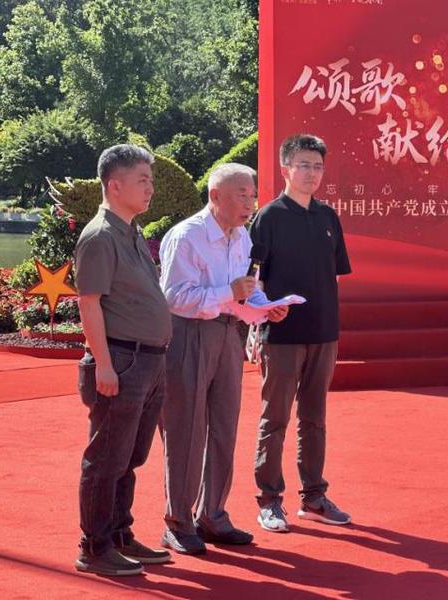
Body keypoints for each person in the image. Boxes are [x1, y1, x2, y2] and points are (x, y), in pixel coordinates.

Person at [158, 163, 289, 555]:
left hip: (229, 335)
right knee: (186, 429)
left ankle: (212, 514)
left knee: (224, 426)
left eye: (252, 195)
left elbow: (243, 292)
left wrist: (265, 308)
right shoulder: (187, 236)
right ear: (215, 196)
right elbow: (174, 297)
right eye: (241, 195)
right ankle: (178, 521)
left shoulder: (242, 236)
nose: (250, 203)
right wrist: (228, 292)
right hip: (188, 335)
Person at [74, 144, 173, 577]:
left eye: (151, 180)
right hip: (121, 359)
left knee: (129, 457)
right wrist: (103, 364)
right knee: (107, 458)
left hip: (147, 360)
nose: (150, 188)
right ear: (115, 186)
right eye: (142, 181)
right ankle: (94, 547)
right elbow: (89, 303)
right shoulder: (100, 236)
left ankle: (118, 534)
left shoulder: (130, 231)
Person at [250, 134, 352, 533]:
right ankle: (269, 500)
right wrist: (261, 314)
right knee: (275, 418)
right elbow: (252, 276)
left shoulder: (328, 217)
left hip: (323, 333)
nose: (312, 173)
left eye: (318, 166)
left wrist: (329, 322)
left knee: (315, 418)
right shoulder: (269, 217)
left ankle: (313, 497)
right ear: (285, 169)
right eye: (304, 165)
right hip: (282, 334)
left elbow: (335, 276)